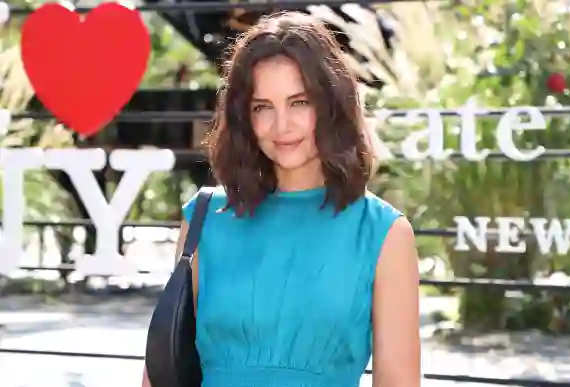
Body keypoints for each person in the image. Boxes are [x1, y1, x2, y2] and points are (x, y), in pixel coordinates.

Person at [142, 11, 420, 387]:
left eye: (299, 102)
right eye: (262, 107)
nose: (281, 126)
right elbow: (159, 374)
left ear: (330, 103)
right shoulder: (205, 219)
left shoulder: (383, 234)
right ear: (244, 117)